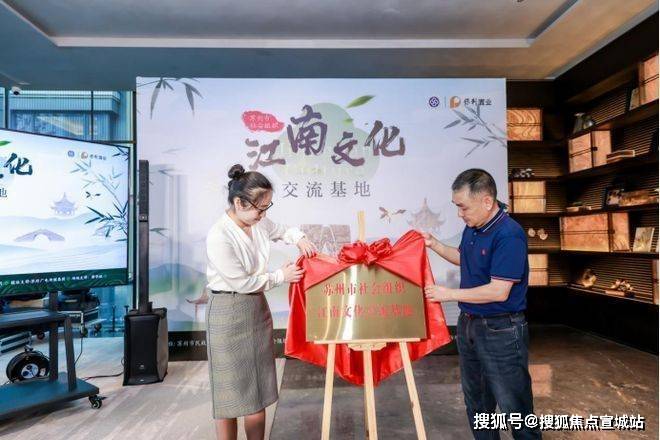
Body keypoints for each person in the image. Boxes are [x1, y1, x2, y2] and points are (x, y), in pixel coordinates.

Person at [422, 169, 541, 439]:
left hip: (501, 330)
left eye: (463, 207)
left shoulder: (509, 235)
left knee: (515, 407)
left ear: (487, 201)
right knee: (477, 404)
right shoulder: (473, 228)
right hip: (470, 325)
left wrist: (449, 294)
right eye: (456, 206)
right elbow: (464, 258)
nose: (459, 214)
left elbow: (499, 291)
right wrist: (434, 244)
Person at [205, 164, 316, 440]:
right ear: (239, 203)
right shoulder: (219, 235)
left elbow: (282, 230)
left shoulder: (258, 223)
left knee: (257, 392)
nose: (263, 214)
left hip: (256, 309)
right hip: (228, 313)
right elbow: (241, 282)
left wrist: (300, 238)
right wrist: (281, 276)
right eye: (259, 208)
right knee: (229, 394)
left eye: (267, 207)